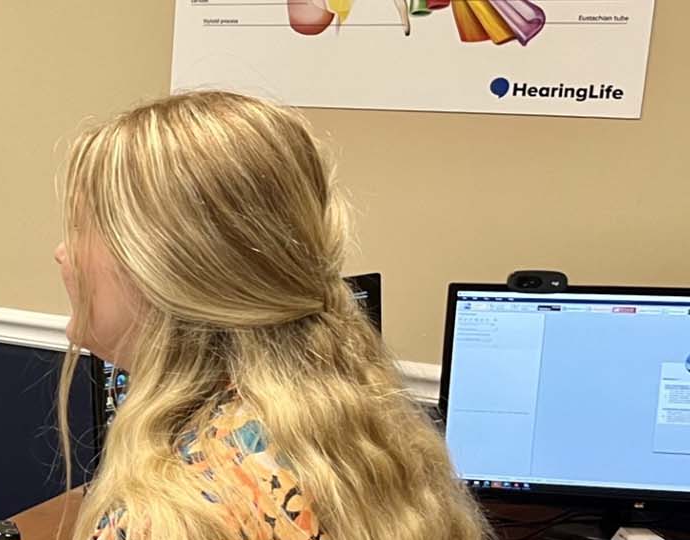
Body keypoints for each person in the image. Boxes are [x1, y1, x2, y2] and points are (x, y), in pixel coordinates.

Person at [50, 91, 492, 540]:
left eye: (85, 228)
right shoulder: (359, 436)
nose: (62, 254)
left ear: (166, 268)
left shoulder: (171, 516)